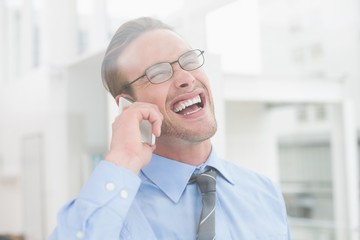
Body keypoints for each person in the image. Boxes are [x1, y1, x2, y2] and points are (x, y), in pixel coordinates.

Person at [49, 17, 291, 240]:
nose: (185, 77)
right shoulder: (112, 216)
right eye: (158, 73)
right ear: (127, 105)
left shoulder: (265, 194)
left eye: (189, 61)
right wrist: (123, 159)